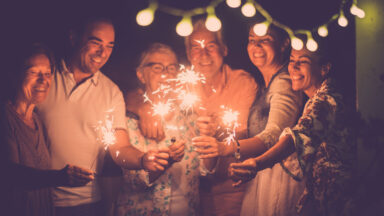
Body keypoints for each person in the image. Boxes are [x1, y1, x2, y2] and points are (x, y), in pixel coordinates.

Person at [37, 18, 169, 216]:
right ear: (74, 38)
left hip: (86, 203)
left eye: (109, 46)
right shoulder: (45, 77)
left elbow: (121, 147)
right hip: (36, 198)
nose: (103, 52)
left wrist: (142, 159)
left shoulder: (111, 92)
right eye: (96, 42)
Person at [229, 39, 357, 216]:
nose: (294, 67)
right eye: (292, 60)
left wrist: (257, 163)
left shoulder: (327, 100)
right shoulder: (317, 98)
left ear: (324, 68)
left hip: (341, 203)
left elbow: (296, 138)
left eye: (303, 61)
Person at [193, 22, 305, 216]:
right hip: (261, 176)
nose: (257, 47)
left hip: (280, 178)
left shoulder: (284, 83)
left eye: (265, 40)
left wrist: (226, 147)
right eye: (252, 40)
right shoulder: (267, 84)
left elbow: (274, 135)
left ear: (283, 43)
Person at [0, 43, 94, 216]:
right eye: (33, 73)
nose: (43, 80)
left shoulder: (37, 121)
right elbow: (9, 174)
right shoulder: (5, 117)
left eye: (48, 74)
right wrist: (59, 177)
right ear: (14, 75)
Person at [115, 43, 201, 216]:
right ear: (140, 74)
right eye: (157, 67)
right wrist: (166, 160)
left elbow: (204, 171)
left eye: (171, 68)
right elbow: (134, 180)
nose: (166, 73)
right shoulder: (126, 121)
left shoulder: (190, 120)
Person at [186, 19, 258, 216]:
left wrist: (213, 132)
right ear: (188, 54)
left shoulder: (242, 83)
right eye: (196, 47)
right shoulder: (183, 85)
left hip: (231, 188)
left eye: (210, 46)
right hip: (191, 190)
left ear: (224, 49)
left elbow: (240, 133)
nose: (204, 54)